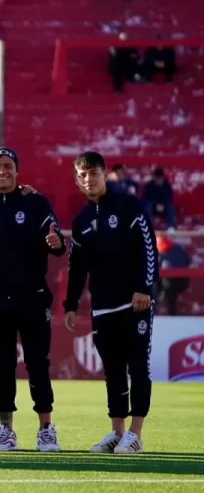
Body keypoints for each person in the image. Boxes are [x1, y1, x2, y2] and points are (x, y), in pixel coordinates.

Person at [0, 148, 66, 452]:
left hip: (33, 300)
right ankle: (5, 430)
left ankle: (46, 429)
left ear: (17, 171)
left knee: (38, 365)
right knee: (3, 367)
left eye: (8, 166)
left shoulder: (35, 203)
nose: (2, 171)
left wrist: (57, 243)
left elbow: (57, 244)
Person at [64, 151, 158, 455]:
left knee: (137, 367)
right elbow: (77, 266)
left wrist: (144, 288)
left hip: (134, 303)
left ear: (105, 174)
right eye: (82, 175)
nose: (88, 179)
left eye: (93, 173)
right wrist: (70, 304)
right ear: (77, 181)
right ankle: (117, 432)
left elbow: (148, 246)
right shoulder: (80, 221)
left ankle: (136, 433)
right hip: (102, 307)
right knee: (113, 371)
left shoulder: (128, 205)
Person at [154, 232, 190, 316]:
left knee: (166, 291)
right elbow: (188, 261)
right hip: (180, 282)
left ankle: (159, 306)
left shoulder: (165, 252)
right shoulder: (178, 248)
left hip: (173, 282)